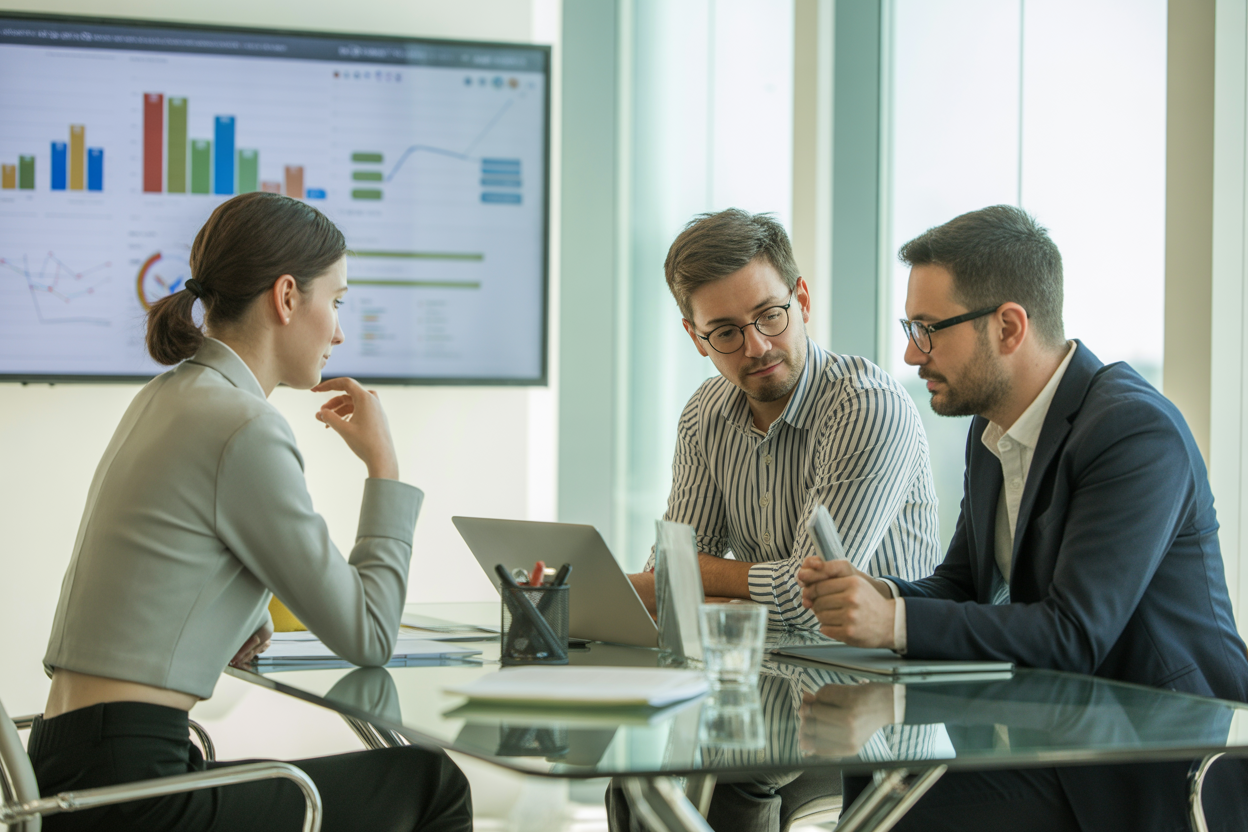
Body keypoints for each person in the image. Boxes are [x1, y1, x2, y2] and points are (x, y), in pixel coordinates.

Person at [797, 205, 1248, 831]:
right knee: (875, 773)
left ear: (1009, 327)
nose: (909, 352)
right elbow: (959, 584)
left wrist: (894, 621)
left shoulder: (1132, 431)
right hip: (1064, 736)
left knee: (905, 812)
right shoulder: (993, 427)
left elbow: (1074, 635)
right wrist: (884, 594)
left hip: (1158, 759)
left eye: (927, 328)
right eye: (909, 327)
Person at [31, 192, 472, 832]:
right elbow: (370, 636)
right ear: (287, 297)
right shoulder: (243, 425)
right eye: (338, 301)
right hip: (132, 797)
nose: (341, 331)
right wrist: (385, 469)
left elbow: (166, 560)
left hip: (67, 769)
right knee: (428, 782)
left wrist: (236, 613)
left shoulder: (170, 395)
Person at [612, 209, 942, 831]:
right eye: (727, 332)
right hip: (766, 693)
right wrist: (679, 579)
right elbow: (670, 577)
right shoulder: (706, 414)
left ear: (803, 299)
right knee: (641, 787)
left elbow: (805, 596)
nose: (757, 346)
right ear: (695, 336)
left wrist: (694, 575)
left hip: (877, 708)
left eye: (769, 315)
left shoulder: (865, 406)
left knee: (687, 782)